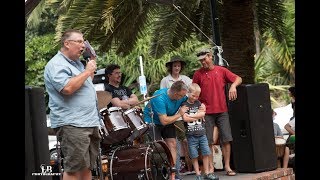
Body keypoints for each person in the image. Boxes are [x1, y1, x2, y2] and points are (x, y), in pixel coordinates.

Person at [44, 29, 101, 180]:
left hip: (89, 121)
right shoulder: (56, 64)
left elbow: (84, 82)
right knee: (74, 170)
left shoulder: (78, 64)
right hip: (73, 123)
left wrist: (90, 65)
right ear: (67, 43)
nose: (83, 46)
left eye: (84, 42)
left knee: (87, 168)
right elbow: (67, 88)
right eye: (79, 42)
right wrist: (87, 71)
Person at [193, 48, 242, 176]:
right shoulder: (198, 74)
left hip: (222, 111)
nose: (203, 62)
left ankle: (227, 167)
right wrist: (199, 106)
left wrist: (232, 86)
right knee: (207, 141)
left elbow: (238, 78)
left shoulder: (221, 70)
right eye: (200, 60)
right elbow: (194, 91)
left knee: (226, 139)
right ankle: (210, 169)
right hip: (206, 113)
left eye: (204, 59)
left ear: (210, 57)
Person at [143, 80, 189, 180]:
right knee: (157, 148)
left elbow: (188, 99)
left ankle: (174, 174)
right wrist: (180, 114)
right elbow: (163, 121)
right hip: (153, 121)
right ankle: (158, 175)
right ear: (175, 93)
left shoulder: (181, 95)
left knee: (173, 144)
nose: (182, 98)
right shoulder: (159, 97)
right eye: (181, 96)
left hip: (169, 119)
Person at [160, 56, 193, 177]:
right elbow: (163, 96)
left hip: (186, 114)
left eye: (179, 66)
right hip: (173, 116)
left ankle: (190, 167)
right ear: (171, 67)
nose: (177, 68)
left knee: (188, 140)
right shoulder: (165, 80)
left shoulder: (185, 79)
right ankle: (178, 171)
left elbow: (192, 92)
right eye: (175, 66)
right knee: (176, 143)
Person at [182, 83, 219, 180]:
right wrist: (197, 115)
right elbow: (185, 119)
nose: (195, 98)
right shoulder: (184, 105)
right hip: (191, 135)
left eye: (197, 96)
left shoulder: (199, 103)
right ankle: (198, 174)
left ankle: (207, 173)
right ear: (188, 93)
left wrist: (191, 116)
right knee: (194, 155)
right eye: (193, 95)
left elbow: (203, 113)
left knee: (206, 153)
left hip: (202, 134)